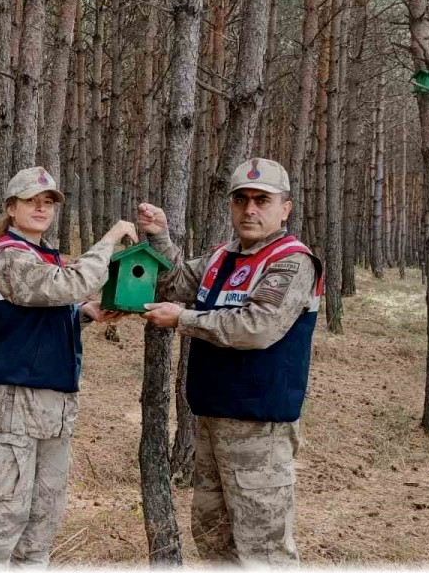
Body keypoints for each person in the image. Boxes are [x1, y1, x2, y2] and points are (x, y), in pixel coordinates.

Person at [137, 157, 322, 566]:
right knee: (213, 538)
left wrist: (182, 319)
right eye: (241, 200)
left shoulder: (292, 261)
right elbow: (175, 282)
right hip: (212, 420)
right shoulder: (222, 257)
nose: (250, 209)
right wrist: (160, 239)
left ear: (285, 208)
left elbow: (258, 326)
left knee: (263, 550)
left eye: (262, 200)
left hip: (260, 429)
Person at [0, 166, 134, 568]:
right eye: (31, 201)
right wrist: (110, 241)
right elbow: (64, 285)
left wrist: (87, 313)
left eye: (48, 202)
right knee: (6, 518)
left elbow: (40, 314)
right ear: (11, 208)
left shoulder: (42, 254)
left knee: (44, 516)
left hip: (54, 401)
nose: (41, 208)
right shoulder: (9, 254)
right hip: (15, 399)